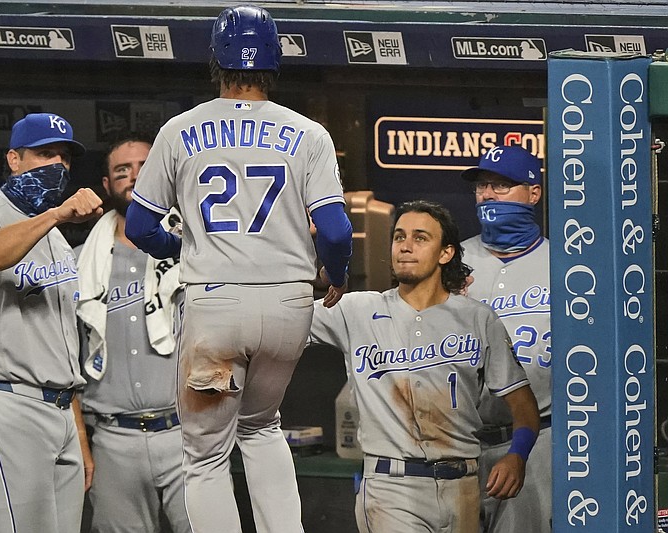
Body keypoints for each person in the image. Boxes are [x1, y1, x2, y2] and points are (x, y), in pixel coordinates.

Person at [124, 5, 353, 532]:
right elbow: (337, 232)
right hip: (289, 304)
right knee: (262, 427)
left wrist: (178, 251)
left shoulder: (181, 130)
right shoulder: (309, 133)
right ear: (274, 60)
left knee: (205, 457)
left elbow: (139, 226)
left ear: (215, 61)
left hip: (216, 304)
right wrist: (335, 275)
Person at [309, 200, 540, 533]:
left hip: (464, 486)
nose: (405, 245)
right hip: (392, 487)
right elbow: (280, 319)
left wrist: (517, 454)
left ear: (445, 253)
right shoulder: (356, 310)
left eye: (420, 238)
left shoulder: (477, 318)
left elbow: (523, 404)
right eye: (399, 236)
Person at [0, 112, 102, 533]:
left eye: (65, 157)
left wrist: (79, 435)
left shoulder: (54, 238)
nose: (57, 165)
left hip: (60, 409)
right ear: (14, 159)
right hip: (6, 401)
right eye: (44, 154)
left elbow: (60, 345)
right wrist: (55, 216)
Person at [74, 134, 190, 533]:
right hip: (112, 438)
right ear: (107, 187)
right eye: (122, 171)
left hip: (185, 434)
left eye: (143, 167)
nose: (134, 177)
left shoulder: (196, 252)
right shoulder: (80, 264)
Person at [460, 144, 552, 532]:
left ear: (533, 193)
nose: (489, 194)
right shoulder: (449, 261)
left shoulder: (564, 264)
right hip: (458, 442)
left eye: (503, 185)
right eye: (483, 185)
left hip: (538, 441)